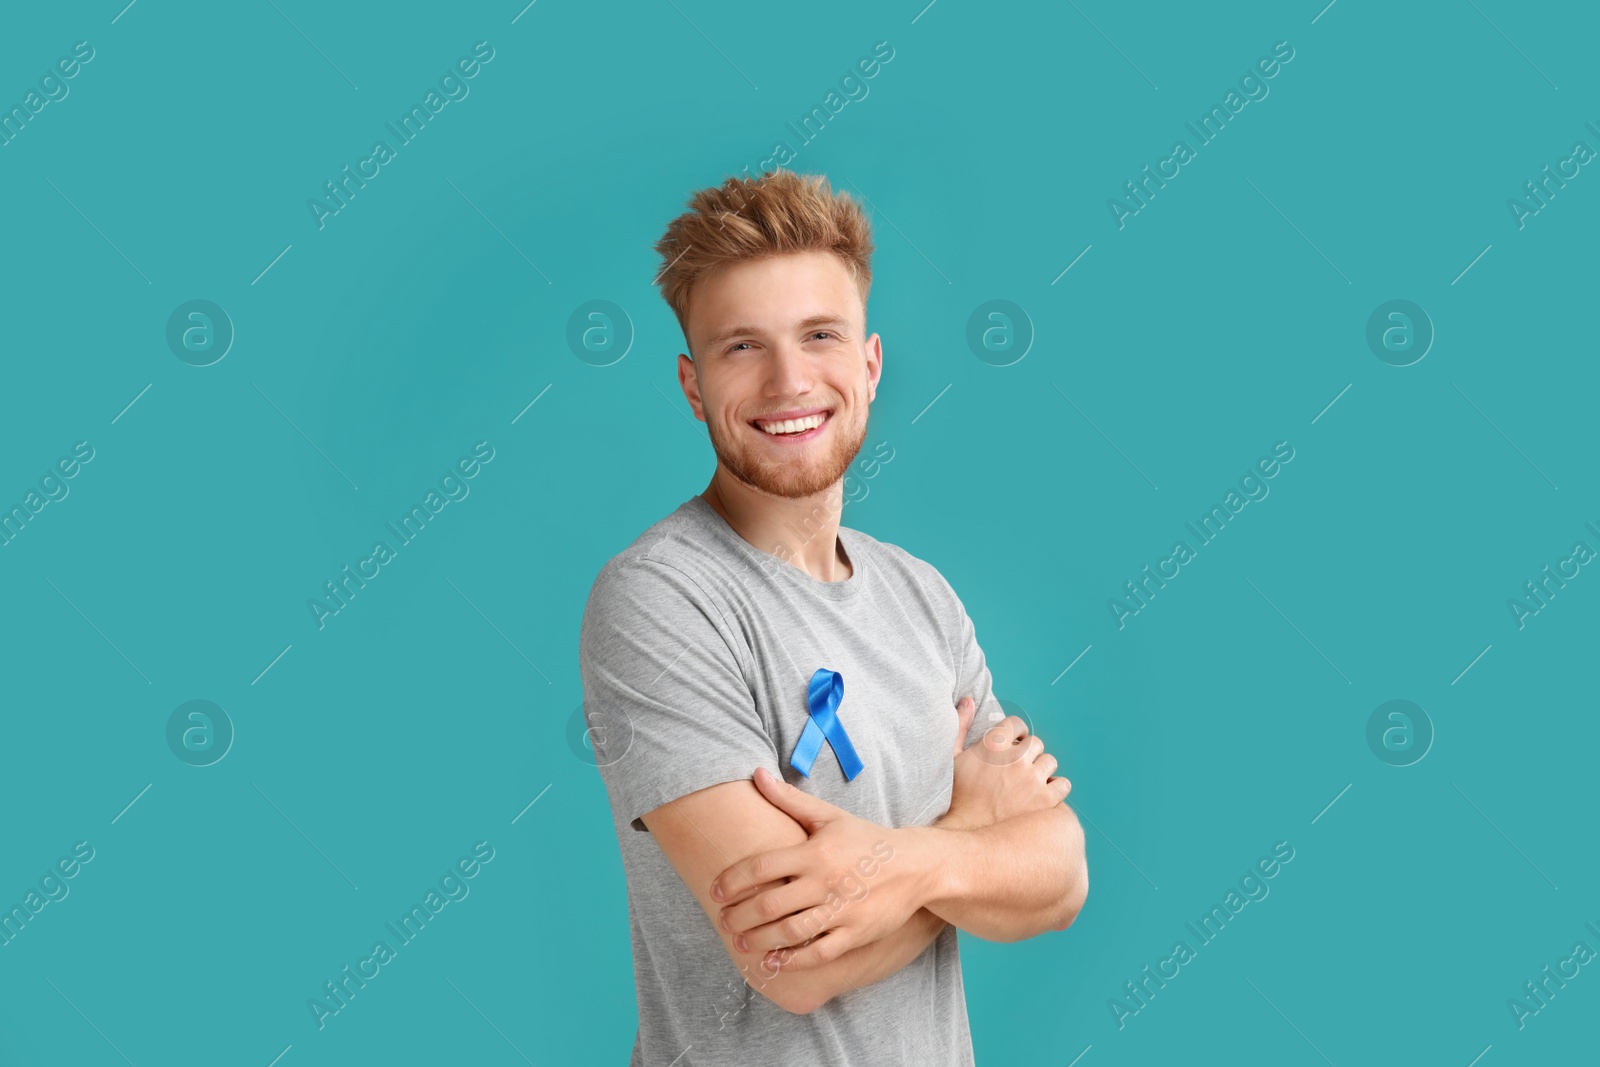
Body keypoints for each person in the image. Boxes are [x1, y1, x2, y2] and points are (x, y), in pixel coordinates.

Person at [578, 169, 1088, 1066]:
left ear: (869, 363)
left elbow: (1060, 875)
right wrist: (971, 835)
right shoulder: (660, 598)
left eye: (820, 335)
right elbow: (791, 962)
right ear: (693, 387)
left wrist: (905, 870)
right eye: (743, 347)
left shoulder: (921, 596)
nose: (788, 381)